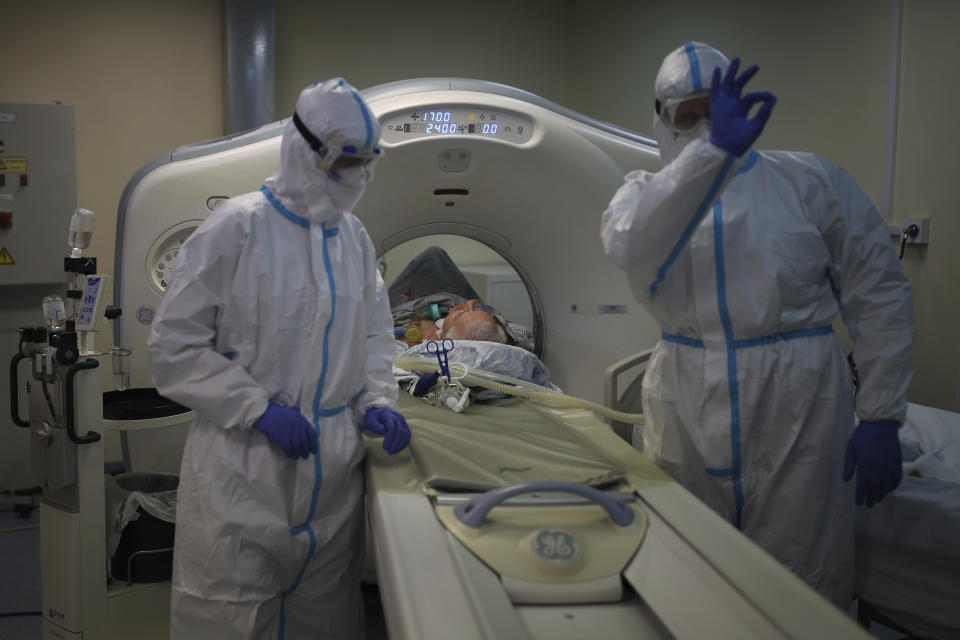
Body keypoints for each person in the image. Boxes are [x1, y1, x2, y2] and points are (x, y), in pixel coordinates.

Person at [601, 42, 916, 607]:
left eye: (714, 113)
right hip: (685, 402)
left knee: (801, 576)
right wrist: (712, 154)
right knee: (689, 567)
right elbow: (633, 249)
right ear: (662, 120)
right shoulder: (641, 196)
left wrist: (882, 415)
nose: (701, 127)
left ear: (739, 106)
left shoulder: (813, 184)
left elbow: (879, 296)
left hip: (800, 408)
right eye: (688, 116)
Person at [147, 78, 411, 639]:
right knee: (230, 617)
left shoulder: (353, 238)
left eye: (368, 164)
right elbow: (173, 347)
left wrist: (376, 400)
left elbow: (373, 335)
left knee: (326, 619)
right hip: (247, 471)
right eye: (347, 163)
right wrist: (255, 408)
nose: (358, 178)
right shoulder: (236, 229)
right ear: (304, 149)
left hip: (333, 473)